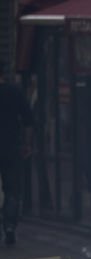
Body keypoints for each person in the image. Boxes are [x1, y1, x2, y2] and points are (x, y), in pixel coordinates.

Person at [0, 64, 33, 246]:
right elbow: (28, 120)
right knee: (12, 189)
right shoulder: (15, 92)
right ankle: (10, 226)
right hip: (11, 147)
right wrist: (27, 144)